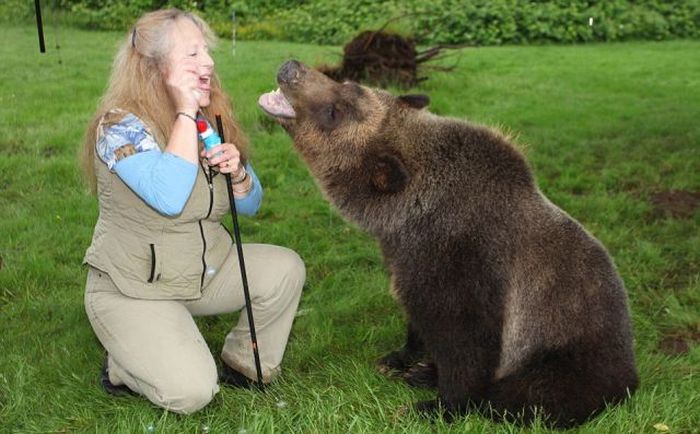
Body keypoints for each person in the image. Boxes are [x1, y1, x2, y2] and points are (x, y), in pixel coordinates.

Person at [80, 8, 305, 414]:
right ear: (152, 67)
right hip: (134, 288)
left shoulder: (207, 122)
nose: (209, 63)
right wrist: (185, 113)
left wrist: (238, 173)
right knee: (192, 392)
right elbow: (168, 195)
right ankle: (123, 364)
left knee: (285, 268)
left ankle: (244, 363)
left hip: (202, 271)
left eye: (208, 52)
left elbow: (252, 206)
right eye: (193, 55)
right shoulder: (119, 128)